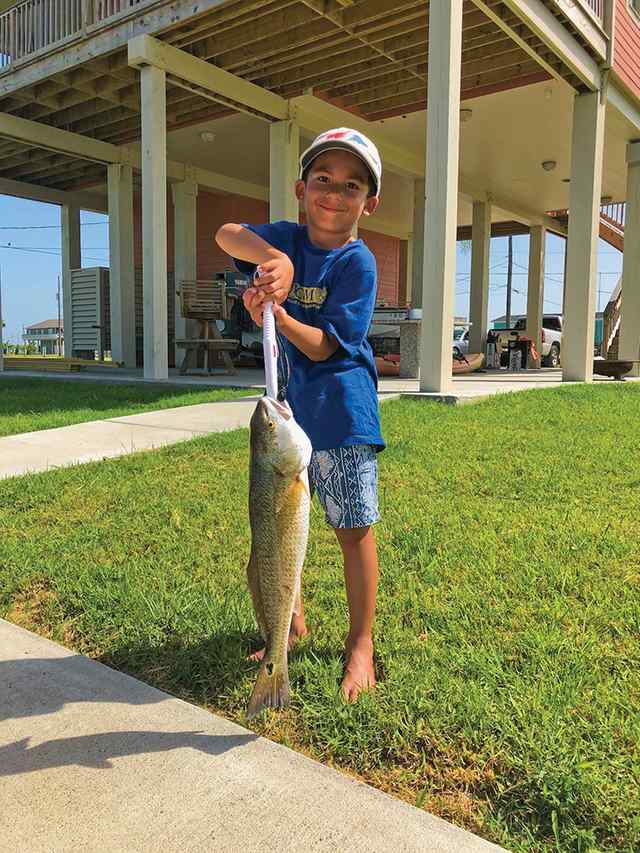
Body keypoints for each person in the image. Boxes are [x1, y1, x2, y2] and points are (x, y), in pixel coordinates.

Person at [216, 128, 384, 702]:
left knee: (352, 529)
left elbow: (323, 346)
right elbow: (224, 234)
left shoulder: (358, 263)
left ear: (369, 202)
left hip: (342, 414)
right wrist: (274, 260)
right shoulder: (286, 238)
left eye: (351, 185)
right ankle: (289, 623)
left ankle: (360, 643)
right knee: (280, 527)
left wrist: (275, 311)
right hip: (292, 413)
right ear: (301, 188)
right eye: (323, 180)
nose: (334, 194)